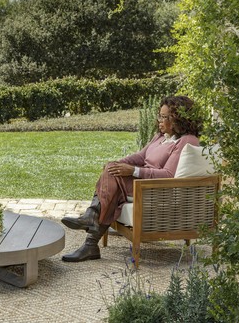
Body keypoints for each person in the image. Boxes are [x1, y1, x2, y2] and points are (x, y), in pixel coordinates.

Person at [60, 95, 202, 262]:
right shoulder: (160, 137)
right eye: (160, 115)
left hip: (153, 188)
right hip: (139, 182)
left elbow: (168, 175)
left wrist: (133, 171)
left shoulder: (186, 141)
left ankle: (91, 221)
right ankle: (90, 239)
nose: (159, 120)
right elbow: (140, 156)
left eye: (165, 117)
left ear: (178, 118)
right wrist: (117, 164)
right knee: (112, 172)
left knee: (113, 177)